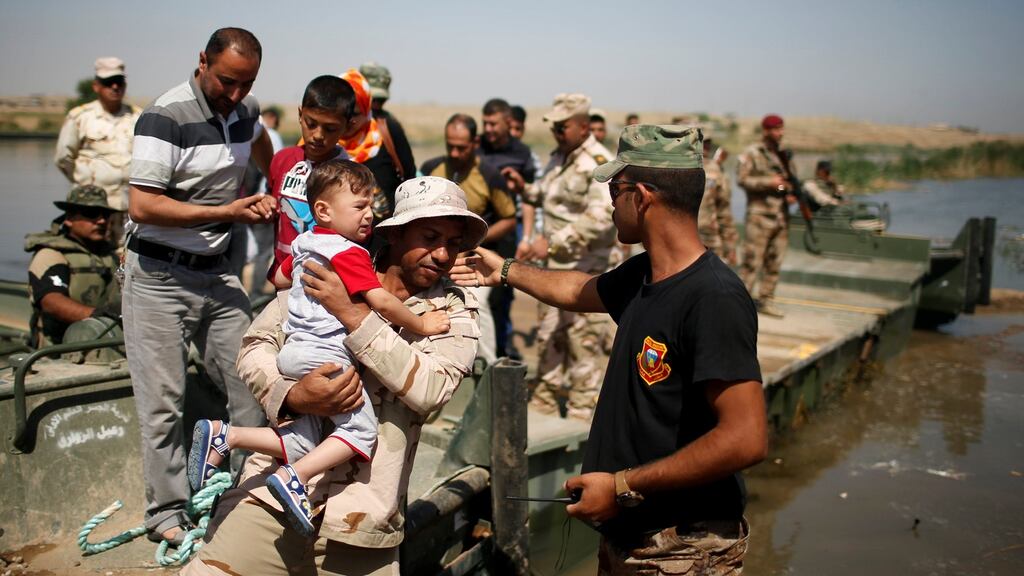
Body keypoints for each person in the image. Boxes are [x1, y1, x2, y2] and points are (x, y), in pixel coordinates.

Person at [451, 125, 767, 575]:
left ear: (641, 197)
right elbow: (579, 289)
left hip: (683, 549)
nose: (609, 202)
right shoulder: (645, 274)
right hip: (633, 535)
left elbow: (746, 437)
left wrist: (621, 485)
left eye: (614, 190)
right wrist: (504, 269)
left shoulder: (713, 297)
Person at [181, 177, 485, 576]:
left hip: (362, 517)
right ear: (394, 233)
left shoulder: (455, 310)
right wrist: (292, 395)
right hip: (271, 495)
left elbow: (431, 388)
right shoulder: (331, 263)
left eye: (455, 243)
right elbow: (256, 347)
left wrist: (354, 316)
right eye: (430, 236)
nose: (443, 254)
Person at [123, 27, 275, 545]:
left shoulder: (247, 110)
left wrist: (276, 184)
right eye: (228, 82)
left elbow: (261, 145)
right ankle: (165, 513)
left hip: (216, 270)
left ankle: (239, 492)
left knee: (252, 379)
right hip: (159, 277)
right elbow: (142, 206)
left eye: (246, 84)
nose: (235, 95)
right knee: (164, 401)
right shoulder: (164, 116)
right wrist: (228, 210)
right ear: (202, 62)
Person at [505, 93, 616, 420]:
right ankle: (545, 400)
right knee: (549, 335)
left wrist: (552, 242)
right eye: (553, 127)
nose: (556, 132)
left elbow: (602, 214)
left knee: (582, 340)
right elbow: (547, 196)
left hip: (585, 271)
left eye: (562, 126)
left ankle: (583, 411)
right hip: (553, 269)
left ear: (584, 126)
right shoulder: (559, 157)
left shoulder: (598, 162)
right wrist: (524, 188)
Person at [421, 114, 517, 364]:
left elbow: (509, 218)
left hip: (473, 258)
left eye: (460, 147)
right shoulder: (432, 169)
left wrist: (472, 244)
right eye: (449, 145)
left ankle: (489, 366)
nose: (454, 153)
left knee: (476, 304)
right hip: (434, 254)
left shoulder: (488, 175)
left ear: (475, 143)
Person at [267, 75, 356, 278]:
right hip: (281, 277)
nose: (318, 135)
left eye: (330, 128)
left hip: (321, 281)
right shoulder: (282, 160)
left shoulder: (350, 175)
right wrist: (264, 205)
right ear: (300, 114)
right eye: (311, 123)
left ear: (348, 127)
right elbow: (275, 208)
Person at [54, 57, 141, 245]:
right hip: (89, 210)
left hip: (126, 207)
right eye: (109, 82)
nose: (115, 87)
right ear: (96, 86)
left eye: (119, 82)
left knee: (124, 256)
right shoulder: (80, 116)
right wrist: (86, 182)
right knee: (89, 257)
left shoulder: (138, 117)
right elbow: (63, 158)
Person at [25, 185, 122, 346]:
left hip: (105, 344)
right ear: (69, 219)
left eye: (105, 215)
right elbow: (51, 301)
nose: (101, 221)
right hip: (57, 351)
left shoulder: (111, 256)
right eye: (91, 214)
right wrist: (97, 315)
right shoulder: (52, 254)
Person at [337, 68, 415, 223]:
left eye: (356, 113)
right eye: (345, 113)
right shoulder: (323, 141)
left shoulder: (388, 129)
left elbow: (409, 176)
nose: (350, 120)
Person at [737, 114, 796, 318]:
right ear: (766, 131)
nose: (780, 133)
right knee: (752, 261)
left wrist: (789, 192)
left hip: (781, 216)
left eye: (782, 128)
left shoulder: (783, 155)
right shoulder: (752, 153)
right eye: (776, 129)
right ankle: (740, 303)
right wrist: (768, 182)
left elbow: (789, 181)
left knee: (775, 261)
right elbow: (743, 180)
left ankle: (766, 300)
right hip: (760, 216)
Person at [245, 106, 285, 297]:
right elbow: (274, 169)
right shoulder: (273, 136)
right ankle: (256, 293)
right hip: (268, 201)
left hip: (250, 200)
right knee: (264, 252)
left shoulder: (248, 135)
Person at [697, 129, 739, 264]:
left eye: (708, 143)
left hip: (710, 235)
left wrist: (730, 244)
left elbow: (724, 210)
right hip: (681, 236)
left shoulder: (715, 171)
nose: (706, 147)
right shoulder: (676, 168)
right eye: (702, 142)